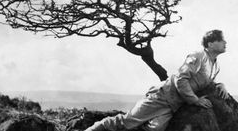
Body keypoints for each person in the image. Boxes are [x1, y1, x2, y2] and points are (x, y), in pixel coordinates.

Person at [86, 29, 229, 131]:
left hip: (174, 105)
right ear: (210, 44)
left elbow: (205, 82)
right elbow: (181, 79)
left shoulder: (215, 65)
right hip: (162, 97)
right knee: (127, 121)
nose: (225, 42)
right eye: (221, 40)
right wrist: (195, 100)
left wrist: (221, 85)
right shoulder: (198, 56)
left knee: (155, 129)